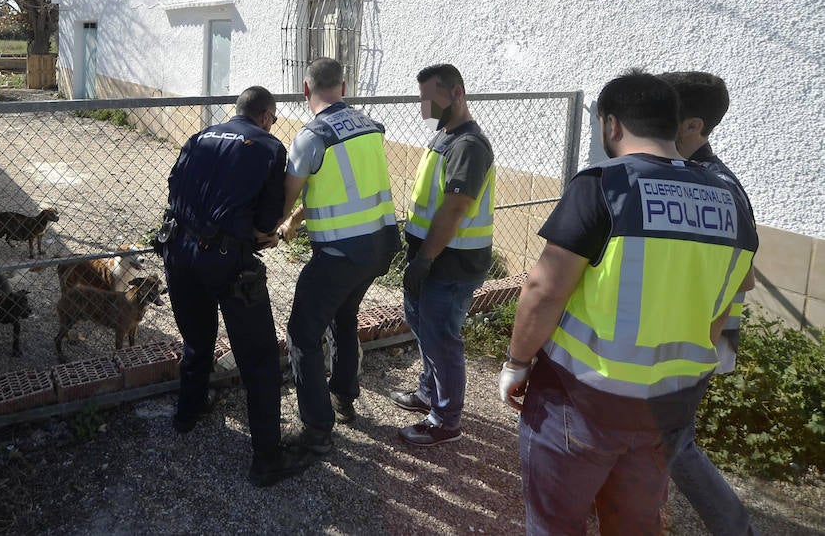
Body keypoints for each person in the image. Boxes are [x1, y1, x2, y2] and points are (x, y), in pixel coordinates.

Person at [499, 71, 757, 535]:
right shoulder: (730, 200)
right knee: (634, 523)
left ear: (611, 126)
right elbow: (724, 303)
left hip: (581, 398)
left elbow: (544, 289)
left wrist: (517, 362)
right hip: (669, 404)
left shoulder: (606, 184)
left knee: (555, 521)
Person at [162, 85, 314, 487]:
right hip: (227, 262)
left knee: (196, 340)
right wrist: (255, 230)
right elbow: (267, 221)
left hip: (177, 251)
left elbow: (175, 187)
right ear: (266, 116)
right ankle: (267, 459)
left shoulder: (200, 136)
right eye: (275, 118)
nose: (275, 124)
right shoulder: (269, 148)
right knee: (259, 359)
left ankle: (187, 414)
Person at [278, 57, 399, 454]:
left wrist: (274, 224)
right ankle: (343, 397)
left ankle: (316, 427)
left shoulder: (310, 137)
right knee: (343, 316)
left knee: (302, 332)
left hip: (338, 253)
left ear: (305, 90)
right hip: (379, 246)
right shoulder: (369, 125)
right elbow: (337, 186)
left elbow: (288, 194)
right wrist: (299, 220)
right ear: (343, 88)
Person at [660, 71, 759, 536]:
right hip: (682, 340)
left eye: (665, 115)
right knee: (656, 438)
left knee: (672, 442)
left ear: (694, 126)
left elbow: (747, 277)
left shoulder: (714, 185)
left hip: (697, 342)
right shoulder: (693, 176)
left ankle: (737, 529)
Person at [393, 63, 495, 447]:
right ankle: (428, 394)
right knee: (423, 328)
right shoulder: (445, 137)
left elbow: (454, 209)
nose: (424, 107)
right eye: (421, 99)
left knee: (441, 339)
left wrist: (424, 260)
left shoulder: (468, 145)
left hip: (451, 263)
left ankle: (445, 420)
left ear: (457, 93)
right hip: (432, 257)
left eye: (429, 98)